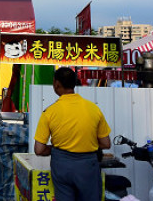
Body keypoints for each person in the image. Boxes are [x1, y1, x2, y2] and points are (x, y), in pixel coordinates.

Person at [33, 67, 112, 201]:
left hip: (61, 165)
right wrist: (86, 142)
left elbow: (39, 149)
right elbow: (106, 143)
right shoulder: (94, 109)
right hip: (88, 166)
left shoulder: (49, 112)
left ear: (56, 84)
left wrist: (54, 149)